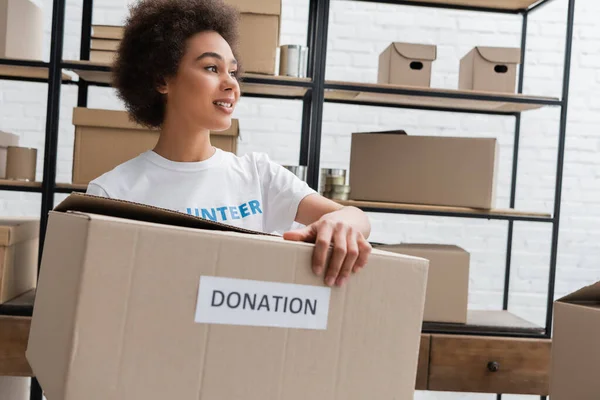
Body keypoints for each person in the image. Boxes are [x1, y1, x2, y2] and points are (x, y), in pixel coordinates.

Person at [86, 0, 372, 287]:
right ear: (163, 79)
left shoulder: (258, 175)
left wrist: (341, 224)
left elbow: (356, 218)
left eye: (232, 72)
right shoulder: (113, 192)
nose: (231, 84)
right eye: (212, 68)